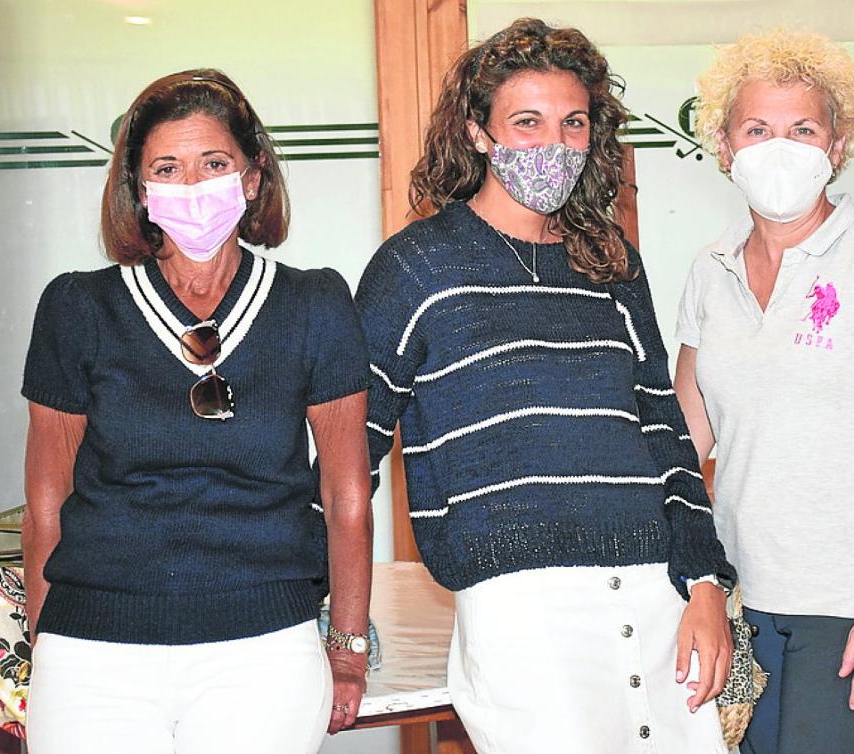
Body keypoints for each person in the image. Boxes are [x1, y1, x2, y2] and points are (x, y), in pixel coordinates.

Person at [356, 19, 735, 753]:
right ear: (477, 133)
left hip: (660, 596)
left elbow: (664, 429)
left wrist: (706, 583)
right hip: (520, 611)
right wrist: (327, 601)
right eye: (525, 122)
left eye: (572, 123)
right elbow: (351, 453)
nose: (552, 145)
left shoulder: (612, 260)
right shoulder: (415, 269)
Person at [21, 69, 373, 753]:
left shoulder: (315, 304)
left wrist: (349, 647)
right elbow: (45, 502)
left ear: (251, 178)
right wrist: (45, 647)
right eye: (167, 169)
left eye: (214, 164)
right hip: (92, 650)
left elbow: (347, 496)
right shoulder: (77, 308)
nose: (193, 186)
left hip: (265, 646)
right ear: (141, 192)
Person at [675, 30, 854, 754]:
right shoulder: (710, 270)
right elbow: (682, 441)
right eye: (758, 129)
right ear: (723, 146)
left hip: (850, 606)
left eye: (803, 129)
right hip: (740, 605)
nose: (781, 147)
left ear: (837, 146)